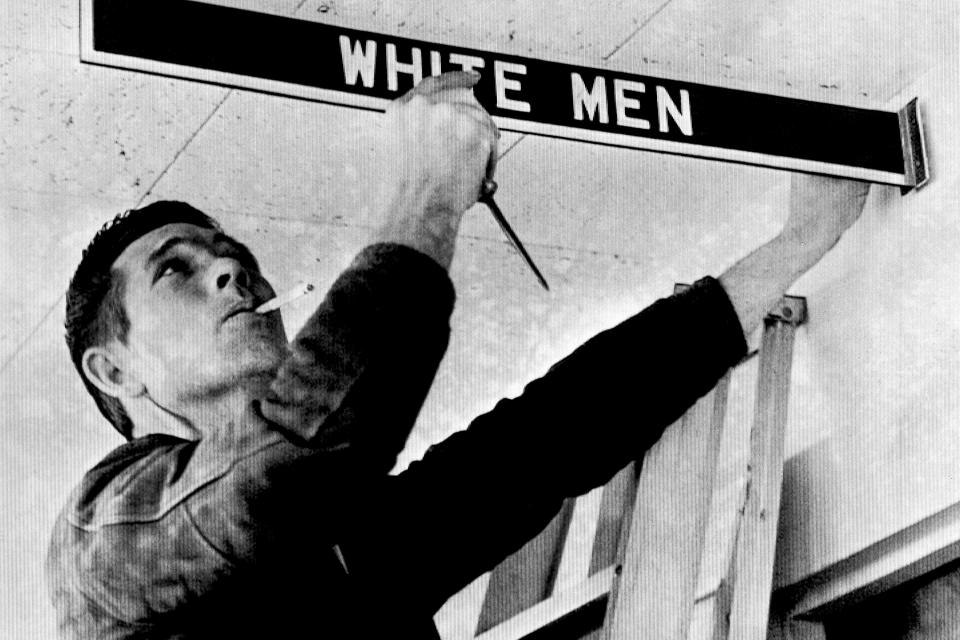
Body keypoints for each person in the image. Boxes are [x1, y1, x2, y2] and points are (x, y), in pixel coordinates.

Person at [45, 70, 870, 639]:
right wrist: (428, 193)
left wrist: (801, 241)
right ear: (116, 371)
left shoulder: (339, 545)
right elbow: (283, 468)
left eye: (228, 251)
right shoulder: (102, 546)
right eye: (177, 271)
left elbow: (547, 441)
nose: (233, 268)